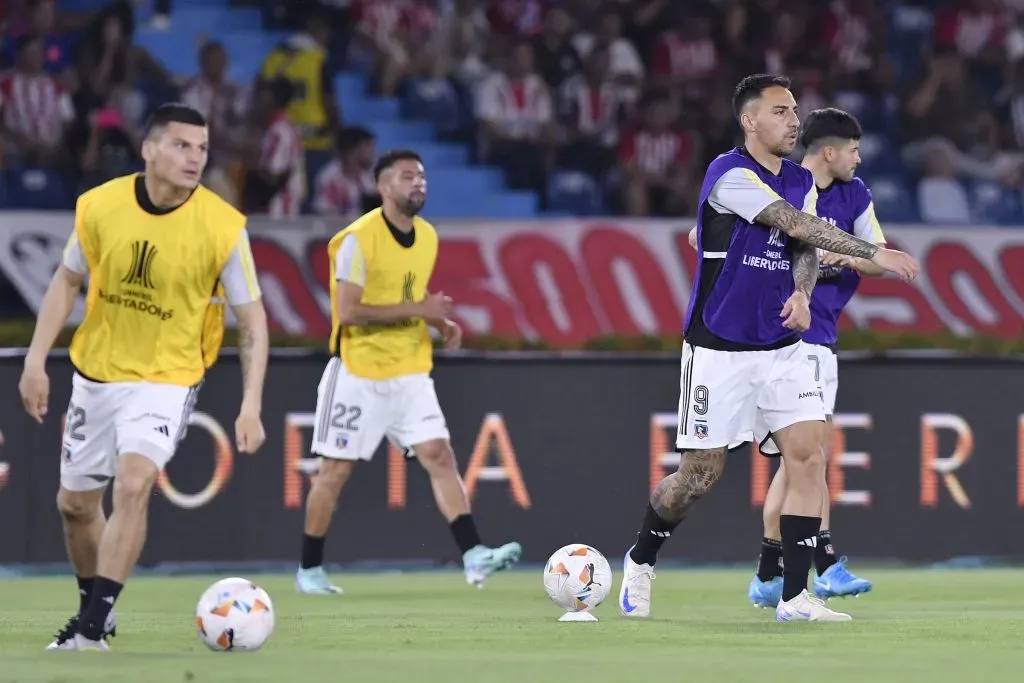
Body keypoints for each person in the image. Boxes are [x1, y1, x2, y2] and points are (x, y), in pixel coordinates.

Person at [616, 74, 919, 623]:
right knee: (698, 478)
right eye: (780, 111)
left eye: (795, 110)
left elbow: (801, 245)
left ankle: (795, 597)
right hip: (719, 348)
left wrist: (803, 293)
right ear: (749, 120)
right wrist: (874, 250)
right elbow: (793, 221)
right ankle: (642, 557)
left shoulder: (801, 176)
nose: (793, 119)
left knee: (809, 457)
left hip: (784, 346)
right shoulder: (729, 174)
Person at [19, 103, 269, 651]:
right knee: (76, 506)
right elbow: (66, 281)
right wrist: (35, 361)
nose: (195, 158)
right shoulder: (100, 207)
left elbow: (252, 321)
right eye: (182, 145)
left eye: (202, 148)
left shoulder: (223, 227)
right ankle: (97, 613)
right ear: (149, 149)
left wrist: (250, 403)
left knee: (134, 484)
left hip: (168, 376)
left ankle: (90, 628)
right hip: (97, 375)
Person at [294, 148, 522, 594]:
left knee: (440, 456)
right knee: (334, 473)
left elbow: (411, 297)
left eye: (421, 176)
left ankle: (474, 556)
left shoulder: (428, 237)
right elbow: (349, 311)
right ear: (383, 187)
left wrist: (440, 323)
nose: (418, 183)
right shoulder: (357, 239)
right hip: (358, 371)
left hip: (409, 369)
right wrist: (423, 309)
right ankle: (310, 569)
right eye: (406, 177)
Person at [686, 108, 879, 608]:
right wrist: (851, 253)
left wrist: (848, 256)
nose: (859, 158)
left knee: (804, 460)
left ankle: (775, 576)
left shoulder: (854, 195)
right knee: (803, 459)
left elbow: (868, 251)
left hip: (820, 335)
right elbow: (721, 233)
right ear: (829, 151)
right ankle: (819, 565)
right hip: (783, 340)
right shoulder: (765, 183)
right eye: (853, 149)